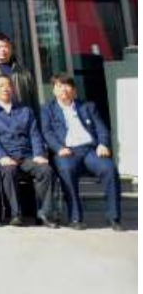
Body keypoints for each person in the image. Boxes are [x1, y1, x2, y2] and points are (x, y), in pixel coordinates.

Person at [40, 74, 123, 231]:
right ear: (53, 90)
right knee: (67, 170)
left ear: (74, 90)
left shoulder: (87, 106)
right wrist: (59, 148)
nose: (63, 89)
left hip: (90, 150)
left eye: (67, 85)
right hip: (66, 152)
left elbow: (101, 128)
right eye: (59, 86)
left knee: (109, 168)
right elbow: (47, 132)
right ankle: (75, 217)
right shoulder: (47, 109)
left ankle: (114, 217)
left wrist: (103, 144)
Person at [0, 74, 57, 227]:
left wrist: (38, 154)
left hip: (27, 154)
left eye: (8, 85)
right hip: (5, 155)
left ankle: (45, 213)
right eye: (1, 85)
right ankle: (16, 214)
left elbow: (34, 134)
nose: (5, 88)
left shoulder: (25, 110)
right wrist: (2, 156)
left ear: (13, 89)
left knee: (45, 170)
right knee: (9, 171)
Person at [0, 35, 37, 108]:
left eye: (6, 46)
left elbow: (33, 97)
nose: (3, 50)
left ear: (11, 49)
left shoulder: (23, 71)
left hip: (21, 112)